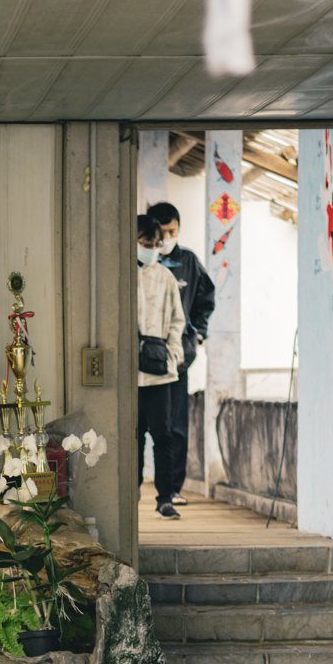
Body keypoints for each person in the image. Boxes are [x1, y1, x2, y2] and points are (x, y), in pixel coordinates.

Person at [148, 200, 218, 507]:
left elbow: (206, 298)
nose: (165, 238)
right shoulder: (143, 264)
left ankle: (173, 488)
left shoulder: (189, 261)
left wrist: (198, 333)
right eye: (160, 233)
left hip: (177, 358)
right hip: (143, 357)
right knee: (144, 425)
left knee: (176, 424)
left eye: (171, 231)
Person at [137, 212, 188, 519]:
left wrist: (172, 353)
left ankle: (165, 497)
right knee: (133, 436)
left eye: (155, 242)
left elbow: (177, 320)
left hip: (159, 370)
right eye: (145, 242)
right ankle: (130, 494)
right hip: (130, 373)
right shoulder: (122, 273)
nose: (152, 247)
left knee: (163, 435)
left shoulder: (165, 277)